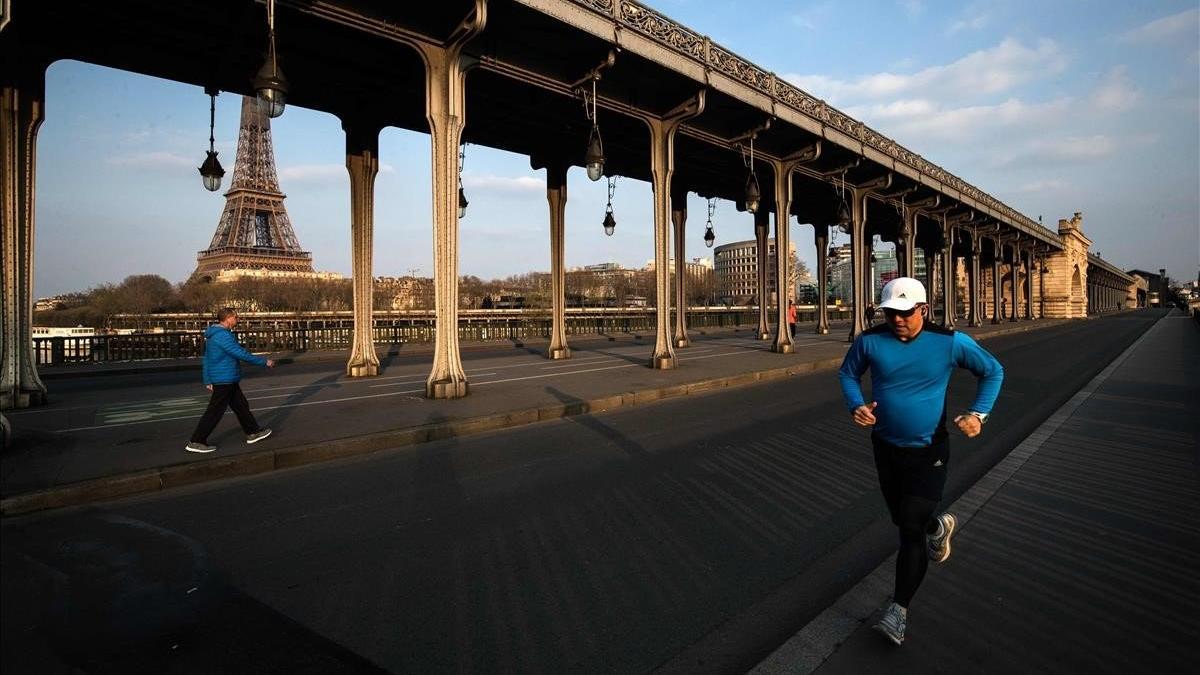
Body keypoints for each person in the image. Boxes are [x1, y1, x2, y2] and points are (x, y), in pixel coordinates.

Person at [837, 277, 1003, 646]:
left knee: (908, 528)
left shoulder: (949, 342)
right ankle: (937, 527)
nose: (897, 319)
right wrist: (856, 405)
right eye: (890, 312)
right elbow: (848, 374)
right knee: (903, 517)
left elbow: (992, 371)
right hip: (886, 447)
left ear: (924, 309)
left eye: (905, 312)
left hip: (929, 450)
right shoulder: (869, 341)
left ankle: (898, 611)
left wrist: (979, 414)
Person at [185, 308, 276, 453]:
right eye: (236, 317)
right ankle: (196, 441)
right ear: (228, 318)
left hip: (226, 378)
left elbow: (207, 359)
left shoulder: (214, 334)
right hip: (224, 378)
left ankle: (253, 432)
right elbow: (240, 353)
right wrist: (264, 362)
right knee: (215, 411)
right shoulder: (223, 336)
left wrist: (207, 379)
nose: (238, 319)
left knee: (241, 406)